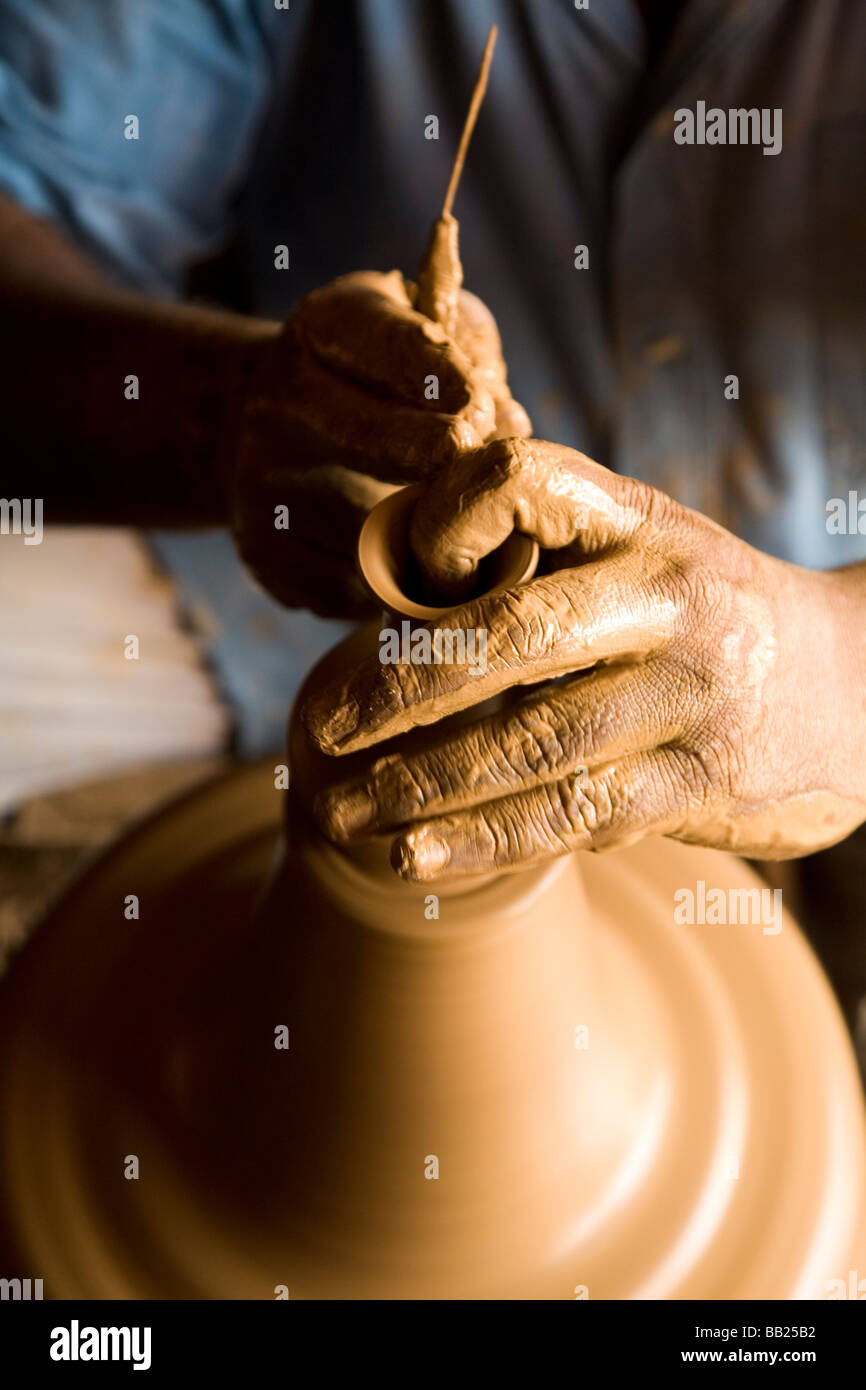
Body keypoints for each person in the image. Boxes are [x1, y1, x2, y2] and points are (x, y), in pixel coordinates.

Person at [1, 1, 865, 1038]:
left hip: (814, 664)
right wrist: (219, 415)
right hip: (284, 586)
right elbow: (28, 202)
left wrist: (832, 669)